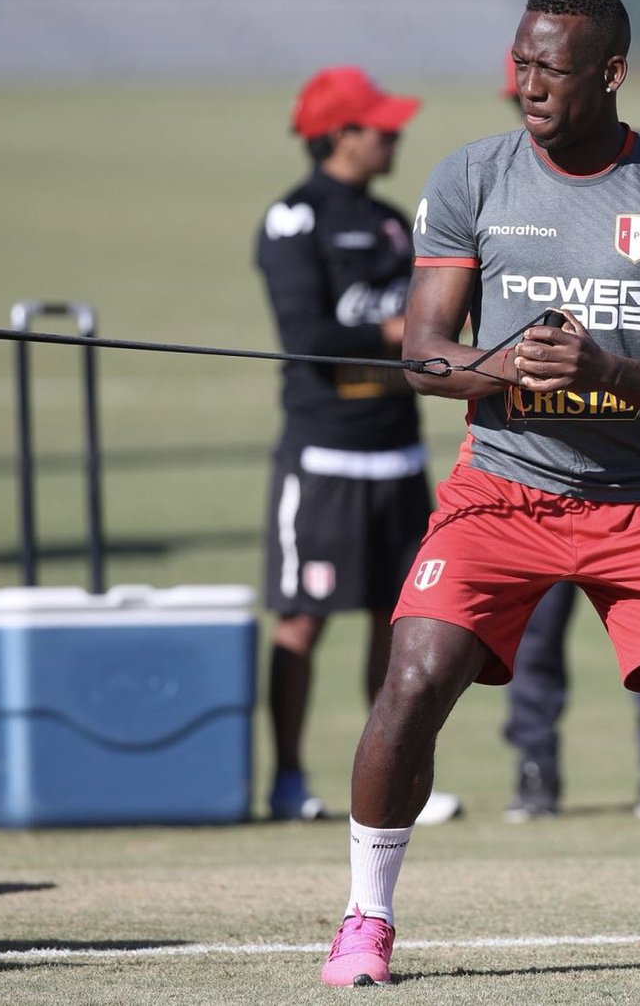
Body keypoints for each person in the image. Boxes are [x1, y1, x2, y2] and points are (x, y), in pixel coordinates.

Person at [319, 0, 640, 986]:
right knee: (411, 683)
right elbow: (423, 356)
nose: (528, 84)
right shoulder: (471, 178)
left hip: (638, 504)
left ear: (609, 72)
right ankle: (364, 920)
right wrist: (496, 364)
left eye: (550, 68)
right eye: (520, 64)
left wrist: (608, 370)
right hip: (497, 492)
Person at [495, 53, 640, 825]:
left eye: (553, 81)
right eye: (519, 84)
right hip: (532, 462)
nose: (532, 103)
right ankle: (535, 770)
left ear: (604, 82)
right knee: (536, 625)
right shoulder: (495, 185)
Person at [255, 65, 460, 828]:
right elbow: (306, 336)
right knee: (302, 618)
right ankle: (285, 778)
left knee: (397, 621)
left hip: (399, 455)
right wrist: (394, 332)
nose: (395, 135)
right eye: (382, 126)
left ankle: (398, 780)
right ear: (341, 135)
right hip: (324, 459)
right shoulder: (293, 221)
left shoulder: (393, 222)